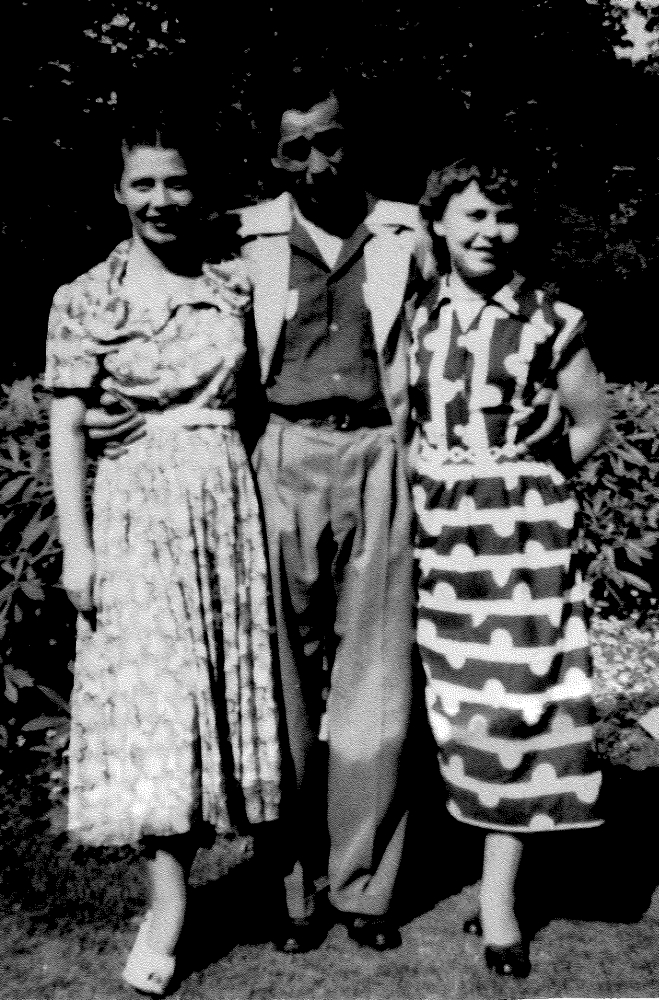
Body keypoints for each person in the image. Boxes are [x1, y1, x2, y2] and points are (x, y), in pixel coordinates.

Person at [45, 112, 280, 995]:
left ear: (198, 189)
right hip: (135, 517)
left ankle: (275, 876)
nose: (160, 199)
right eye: (142, 183)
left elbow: (260, 400)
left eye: (175, 182)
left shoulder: (231, 284)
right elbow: (68, 424)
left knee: (224, 694)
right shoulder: (84, 296)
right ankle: (170, 905)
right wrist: (78, 549)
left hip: (225, 509)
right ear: (117, 192)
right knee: (157, 707)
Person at [237, 69, 423, 952]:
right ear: (274, 156)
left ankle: (363, 888)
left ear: (353, 138)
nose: (316, 161)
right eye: (294, 147)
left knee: (375, 683)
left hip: (381, 452)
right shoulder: (245, 240)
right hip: (284, 453)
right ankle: (292, 888)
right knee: (278, 681)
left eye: (330, 139)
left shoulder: (404, 233)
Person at [409, 158, 607, 978]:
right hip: (430, 536)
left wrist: (530, 490)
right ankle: (445, 869)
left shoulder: (549, 318)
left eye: (504, 216)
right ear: (441, 223)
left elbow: (589, 420)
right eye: (473, 215)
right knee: (445, 709)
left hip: (520, 545)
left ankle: (498, 904)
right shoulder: (414, 317)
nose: (489, 232)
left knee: (516, 710)